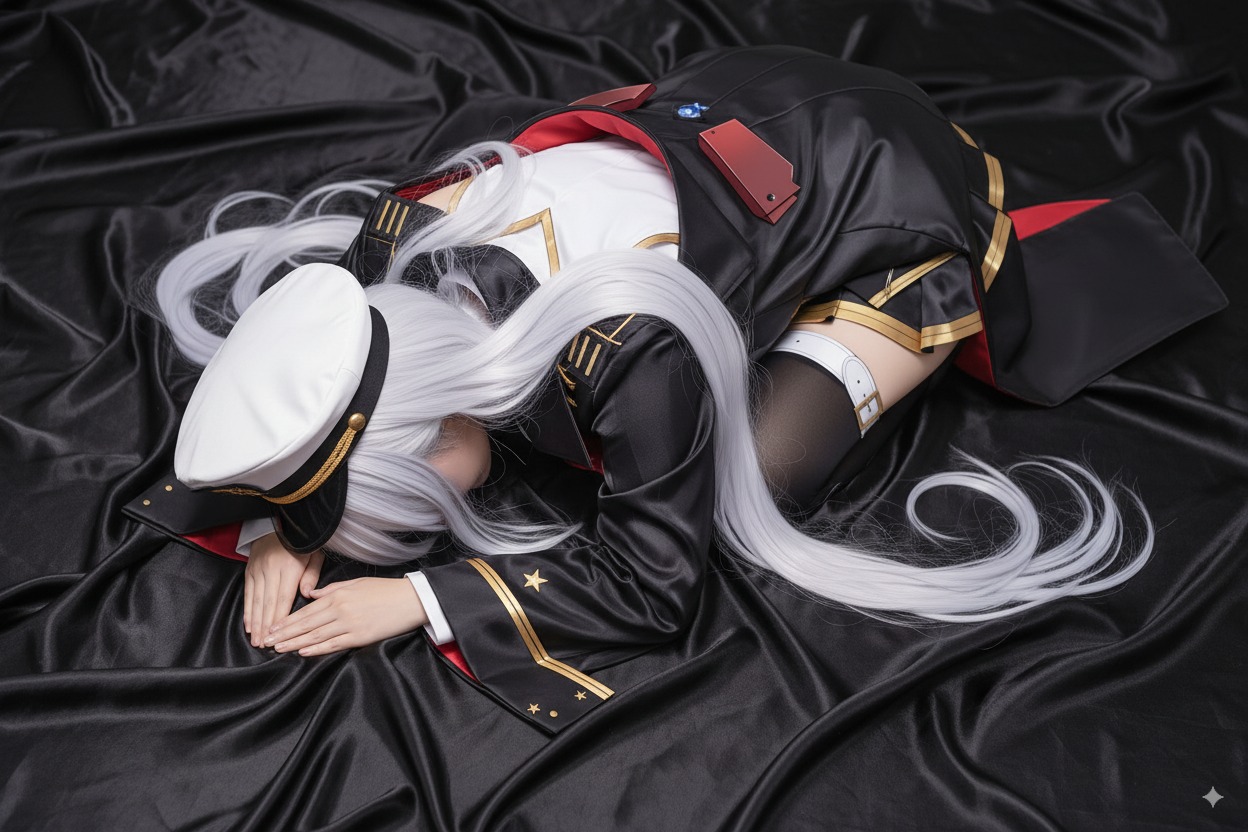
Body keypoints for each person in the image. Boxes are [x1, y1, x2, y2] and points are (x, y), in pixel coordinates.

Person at [126, 45, 1225, 732]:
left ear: (434, 421)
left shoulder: (627, 350)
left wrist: (420, 596)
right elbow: (315, 382)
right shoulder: (387, 243)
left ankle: (900, 297)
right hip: (745, 106)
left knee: (763, 473)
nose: (406, 529)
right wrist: (290, 514)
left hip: (881, 176)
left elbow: (654, 581)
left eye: (403, 498)